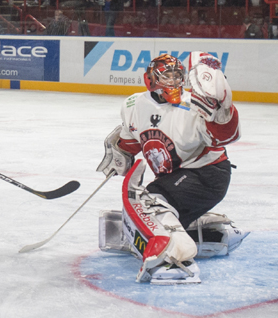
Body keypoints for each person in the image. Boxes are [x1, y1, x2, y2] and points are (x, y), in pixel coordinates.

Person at [95, 53, 246, 284]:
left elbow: (225, 136)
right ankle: (212, 236)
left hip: (207, 174)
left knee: (150, 200)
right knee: (149, 208)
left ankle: (175, 261)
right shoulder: (133, 104)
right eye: (167, 76)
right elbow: (132, 139)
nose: (174, 82)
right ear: (150, 79)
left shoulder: (195, 106)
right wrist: (120, 154)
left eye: (177, 76)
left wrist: (223, 111)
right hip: (176, 177)